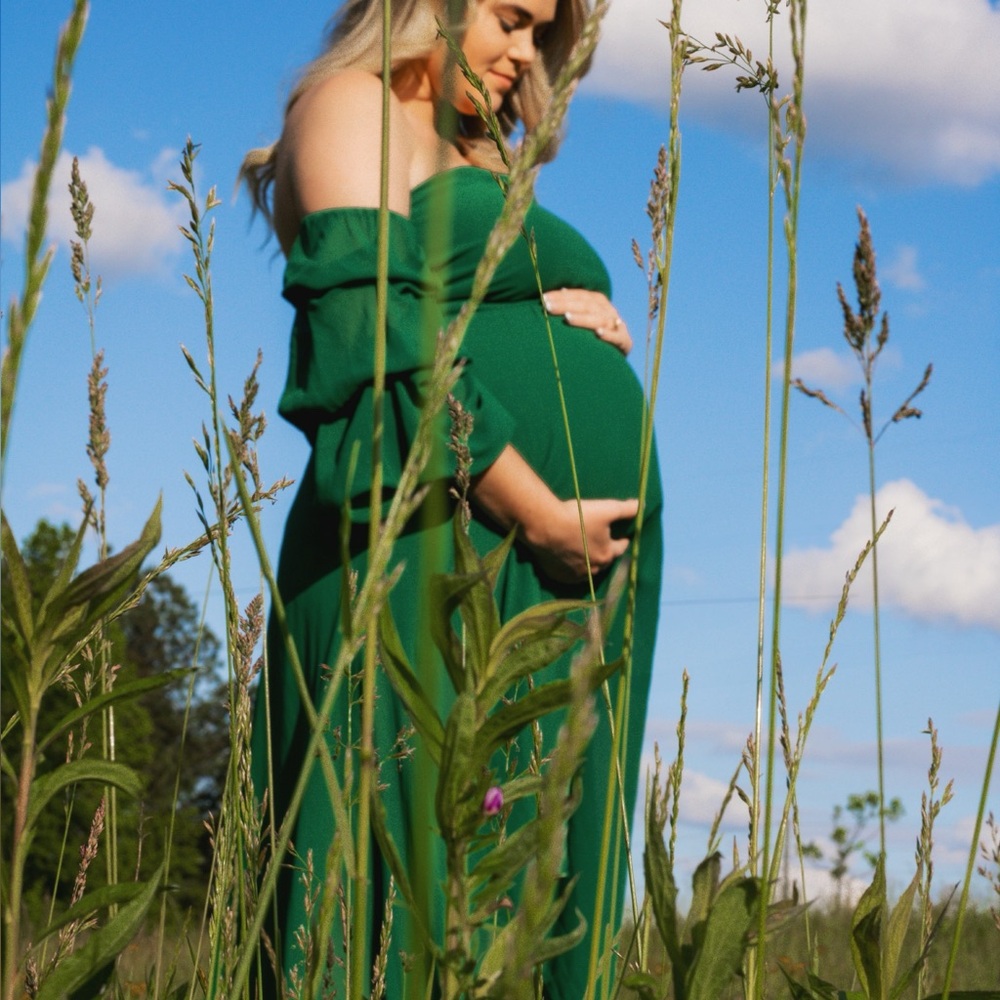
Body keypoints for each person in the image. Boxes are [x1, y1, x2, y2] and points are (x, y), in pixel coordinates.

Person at [242, 1, 662, 996]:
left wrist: (563, 305)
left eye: (541, 38)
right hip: (429, 542)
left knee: (532, 892)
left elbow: (461, 296)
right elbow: (377, 334)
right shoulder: (352, 104)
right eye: (512, 21)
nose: (525, 56)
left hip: (554, 570)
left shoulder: (486, 160)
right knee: (395, 880)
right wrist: (533, 510)